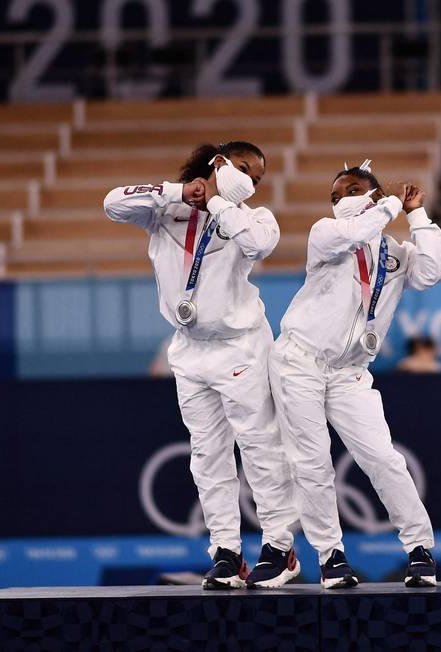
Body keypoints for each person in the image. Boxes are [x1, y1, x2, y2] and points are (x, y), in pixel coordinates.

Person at [104, 142, 300, 589]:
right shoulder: (163, 210)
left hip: (241, 346)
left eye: (258, 178)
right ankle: (227, 551)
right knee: (206, 454)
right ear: (219, 164)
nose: (251, 182)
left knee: (258, 446)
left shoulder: (255, 216)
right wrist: (179, 193)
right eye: (245, 170)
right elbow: (113, 203)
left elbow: (259, 245)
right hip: (189, 349)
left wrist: (215, 200)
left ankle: (278, 545)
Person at [268, 160, 441, 589]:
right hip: (300, 362)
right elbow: (354, 232)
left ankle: (420, 549)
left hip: (351, 370)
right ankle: (331, 557)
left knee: (383, 457)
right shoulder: (325, 234)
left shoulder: (397, 256)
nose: (340, 202)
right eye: (335, 196)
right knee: (312, 463)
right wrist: (389, 204)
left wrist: (417, 214)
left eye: (350, 191)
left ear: (371, 193)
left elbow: (435, 271)